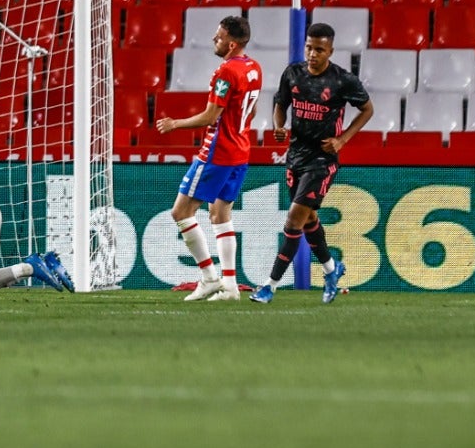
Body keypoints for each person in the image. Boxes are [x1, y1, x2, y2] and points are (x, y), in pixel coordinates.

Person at [252, 21, 374, 305]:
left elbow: (367, 109)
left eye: (319, 49)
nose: (312, 54)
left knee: (294, 218)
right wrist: (278, 125)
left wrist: (342, 140)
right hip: (295, 156)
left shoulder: (342, 80)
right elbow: (280, 104)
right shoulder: (293, 74)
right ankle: (332, 270)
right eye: (309, 47)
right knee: (308, 219)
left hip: (322, 159)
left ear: (330, 50)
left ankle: (270, 285)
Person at [156, 15, 261, 302]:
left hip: (218, 152)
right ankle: (230, 286)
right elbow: (250, 111)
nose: (214, 40)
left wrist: (175, 124)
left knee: (181, 212)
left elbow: (211, 115)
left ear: (231, 43)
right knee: (220, 214)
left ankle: (209, 277)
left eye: (218, 37)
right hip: (241, 151)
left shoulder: (227, 71)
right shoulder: (254, 67)